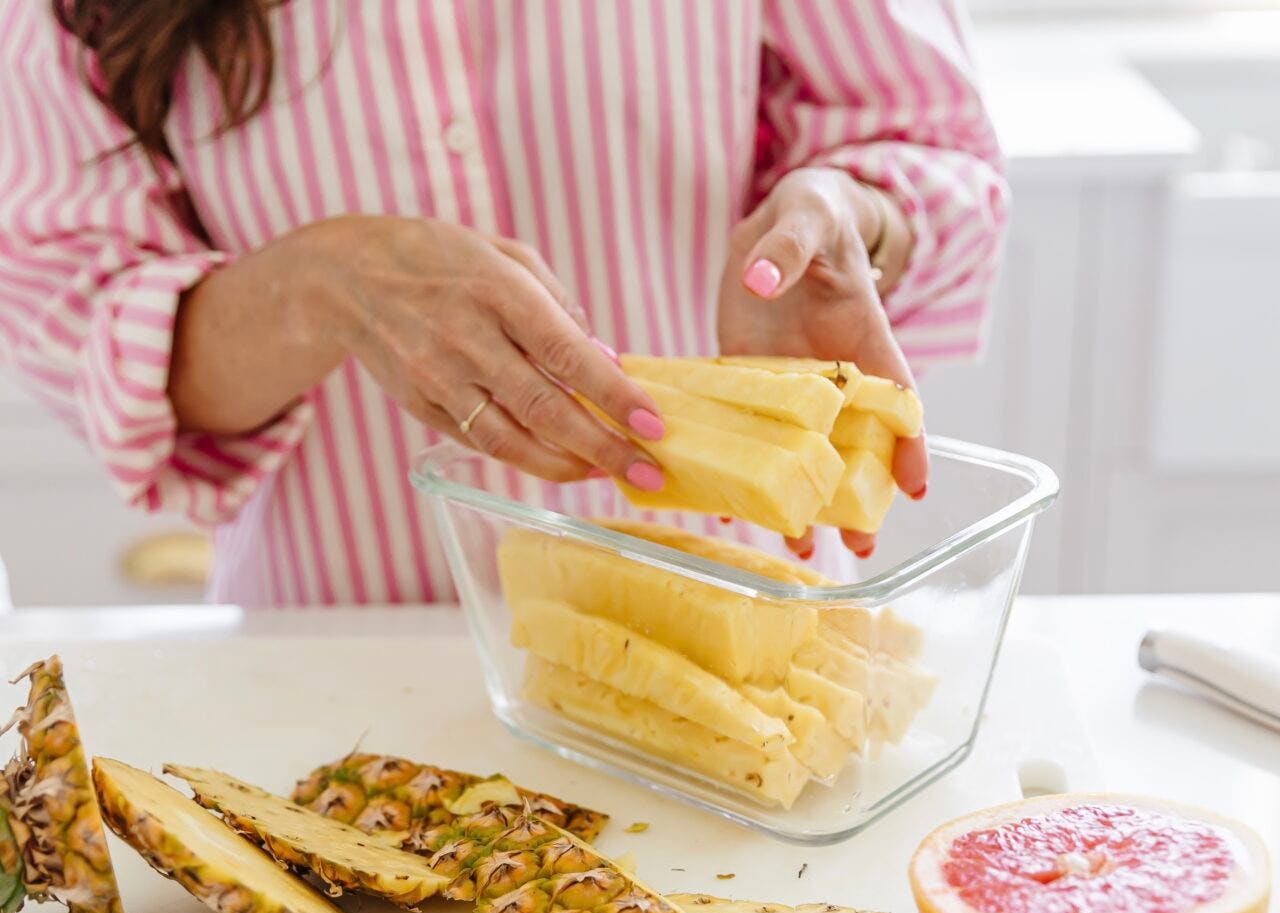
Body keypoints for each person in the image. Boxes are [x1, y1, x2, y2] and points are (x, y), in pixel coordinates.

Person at [0, 1, 1007, 606]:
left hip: (738, 623)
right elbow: (76, 309)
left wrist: (849, 214)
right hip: (334, 669)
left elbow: (925, 138)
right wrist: (317, 283)